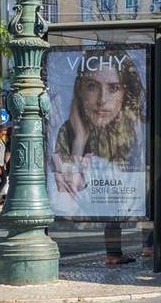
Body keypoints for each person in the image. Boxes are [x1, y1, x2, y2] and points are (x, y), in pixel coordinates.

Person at [50, 48, 146, 266]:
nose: (102, 100)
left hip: (124, 201)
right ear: (80, 90)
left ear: (124, 92)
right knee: (111, 218)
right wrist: (79, 141)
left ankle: (141, 248)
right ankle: (114, 253)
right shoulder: (69, 132)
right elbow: (68, 203)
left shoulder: (136, 130)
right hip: (103, 204)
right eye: (93, 86)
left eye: (113, 88)